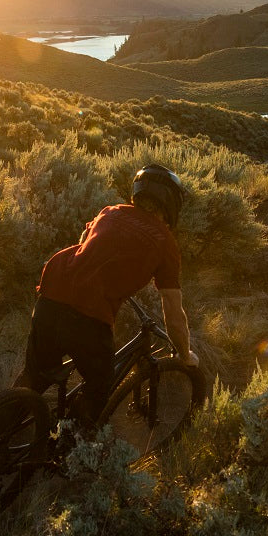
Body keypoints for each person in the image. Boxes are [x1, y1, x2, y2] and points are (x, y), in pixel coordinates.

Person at [16, 164, 199, 427]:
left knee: (33, 377)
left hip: (51, 294)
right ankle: (74, 445)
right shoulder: (165, 242)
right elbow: (173, 312)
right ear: (171, 203)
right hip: (89, 316)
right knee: (100, 386)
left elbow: (85, 242)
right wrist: (184, 354)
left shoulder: (111, 212)